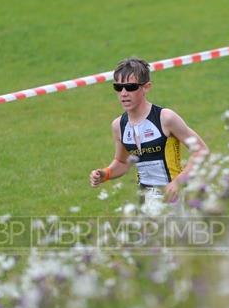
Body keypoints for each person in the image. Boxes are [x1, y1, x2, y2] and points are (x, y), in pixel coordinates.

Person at [89, 57, 208, 205]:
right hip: (146, 199)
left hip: (176, 198)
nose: (124, 93)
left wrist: (178, 182)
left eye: (131, 87)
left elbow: (201, 150)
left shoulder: (166, 118)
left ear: (146, 87)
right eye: (118, 87)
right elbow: (122, 162)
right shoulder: (118, 125)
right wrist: (105, 174)